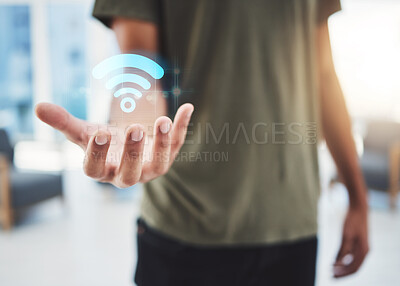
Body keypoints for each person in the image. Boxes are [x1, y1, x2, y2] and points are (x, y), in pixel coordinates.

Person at [35, 0, 369, 285]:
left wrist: (357, 197)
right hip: (182, 223)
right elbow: (139, 60)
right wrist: (135, 132)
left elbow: (323, 71)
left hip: (291, 221)